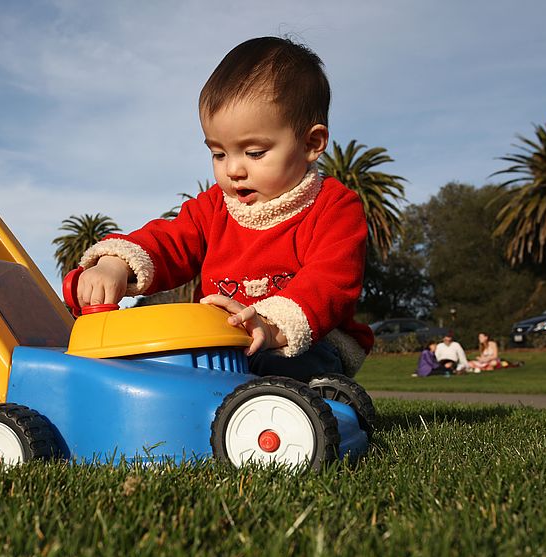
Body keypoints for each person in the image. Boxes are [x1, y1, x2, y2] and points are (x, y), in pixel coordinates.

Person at [75, 37, 373, 380]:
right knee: (165, 362)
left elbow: (330, 282)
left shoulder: (333, 207)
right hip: (223, 339)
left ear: (311, 143)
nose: (233, 170)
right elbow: (169, 241)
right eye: (219, 153)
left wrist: (273, 325)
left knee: (278, 366)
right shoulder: (213, 208)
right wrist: (116, 264)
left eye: (255, 152)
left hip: (304, 342)